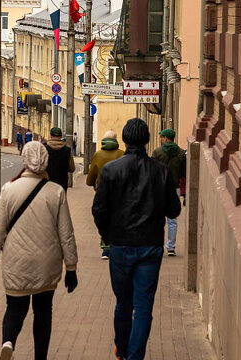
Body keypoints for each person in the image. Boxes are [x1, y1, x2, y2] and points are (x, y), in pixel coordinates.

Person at [92, 118, 182, 360]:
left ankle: (121, 351)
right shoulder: (161, 171)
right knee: (143, 307)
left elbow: (99, 209)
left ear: (124, 139)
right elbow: (174, 210)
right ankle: (134, 356)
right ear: (147, 140)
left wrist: (107, 235)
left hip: (120, 245)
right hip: (150, 246)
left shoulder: (111, 170)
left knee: (123, 303)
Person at [0, 142, 79, 360]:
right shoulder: (56, 192)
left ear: (24, 159)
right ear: (46, 160)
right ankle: (40, 357)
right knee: (43, 310)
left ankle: (8, 342)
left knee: (15, 308)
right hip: (47, 263)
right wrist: (71, 267)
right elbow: (66, 234)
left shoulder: (9, 189)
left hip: (16, 262)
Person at [86, 129, 125, 260]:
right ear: (116, 140)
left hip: (102, 191)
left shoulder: (98, 154)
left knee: (104, 218)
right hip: (119, 193)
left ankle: (105, 248)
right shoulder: (122, 154)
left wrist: (92, 184)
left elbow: (91, 176)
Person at [151, 128, 186, 256]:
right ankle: (171, 247)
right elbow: (183, 173)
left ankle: (157, 245)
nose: (161, 139)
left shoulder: (157, 152)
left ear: (165, 138)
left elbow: (152, 171)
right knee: (172, 219)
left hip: (159, 188)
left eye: (162, 137)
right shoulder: (182, 153)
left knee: (157, 217)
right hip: (174, 188)